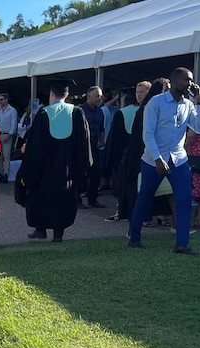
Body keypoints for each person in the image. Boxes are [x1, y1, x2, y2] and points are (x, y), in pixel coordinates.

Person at [129, 67, 200, 254]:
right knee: (145, 197)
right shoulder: (156, 102)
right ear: (175, 81)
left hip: (179, 159)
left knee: (184, 200)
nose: (190, 84)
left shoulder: (188, 104)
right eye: (187, 80)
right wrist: (158, 158)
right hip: (153, 159)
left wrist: (198, 101)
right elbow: (148, 133)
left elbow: (197, 127)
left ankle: (181, 244)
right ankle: (134, 237)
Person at [15, 80, 93, 242]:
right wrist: (83, 165)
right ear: (67, 95)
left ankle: (40, 229)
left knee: (41, 197)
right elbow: (84, 143)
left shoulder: (44, 114)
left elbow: (35, 146)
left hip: (45, 169)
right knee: (63, 200)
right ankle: (58, 235)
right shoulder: (77, 113)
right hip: (67, 169)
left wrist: (28, 164)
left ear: (51, 94)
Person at [103, 84, 144, 222]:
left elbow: (114, 139)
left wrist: (110, 161)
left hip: (124, 155)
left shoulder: (122, 113)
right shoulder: (146, 111)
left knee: (124, 186)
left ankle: (122, 211)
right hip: (143, 153)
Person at [78, 85, 107, 208]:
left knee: (95, 173)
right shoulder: (79, 110)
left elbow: (101, 128)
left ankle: (93, 199)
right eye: (97, 96)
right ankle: (77, 199)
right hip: (80, 148)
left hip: (94, 147)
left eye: (100, 96)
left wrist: (101, 141)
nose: (99, 99)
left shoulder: (100, 111)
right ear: (89, 96)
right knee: (79, 174)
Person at [0, 93, 18, 183]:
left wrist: (10, 134)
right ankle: (1, 174)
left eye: (1, 99)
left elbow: (13, 124)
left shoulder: (12, 111)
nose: (0, 101)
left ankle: (6, 174)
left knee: (7, 156)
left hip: (7, 134)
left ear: (6, 99)